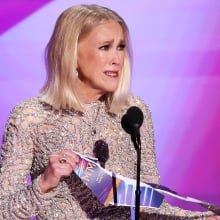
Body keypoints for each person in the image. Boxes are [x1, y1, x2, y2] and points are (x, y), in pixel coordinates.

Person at [0, 4, 219, 220]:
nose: (117, 59)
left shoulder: (133, 113)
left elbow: (149, 207)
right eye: (105, 47)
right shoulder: (30, 117)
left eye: (121, 47)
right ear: (71, 53)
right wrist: (43, 184)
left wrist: (200, 219)